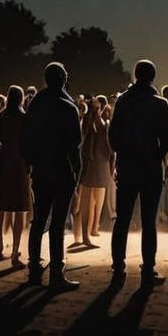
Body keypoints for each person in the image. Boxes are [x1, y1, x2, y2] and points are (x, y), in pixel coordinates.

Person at [108, 60, 168, 286]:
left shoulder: (123, 101)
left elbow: (113, 137)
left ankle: (118, 266)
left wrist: (124, 154)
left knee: (122, 219)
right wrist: (155, 157)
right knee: (149, 221)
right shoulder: (160, 104)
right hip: (150, 169)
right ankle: (148, 268)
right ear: (153, 76)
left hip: (127, 167)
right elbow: (167, 139)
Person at [21, 61, 82, 290]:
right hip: (62, 170)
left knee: (38, 220)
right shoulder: (68, 107)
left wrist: (33, 162)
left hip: (42, 170)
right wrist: (76, 173)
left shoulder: (36, 104)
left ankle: (34, 269)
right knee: (57, 224)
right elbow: (75, 144)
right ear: (63, 78)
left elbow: (25, 140)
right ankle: (57, 272)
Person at [0, 84, 30, 267]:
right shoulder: (25, 118)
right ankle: (15, 252)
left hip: (4, 160)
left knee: (0, 207)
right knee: (19, 209)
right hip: (20, 163)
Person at [75, 95, 112, 247]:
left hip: (98, 164)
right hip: (91, 164)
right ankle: (84, 236)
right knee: (86, 201)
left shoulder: (102, 122)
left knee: (93, 200)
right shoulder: (89, 123)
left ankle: (88, 233)